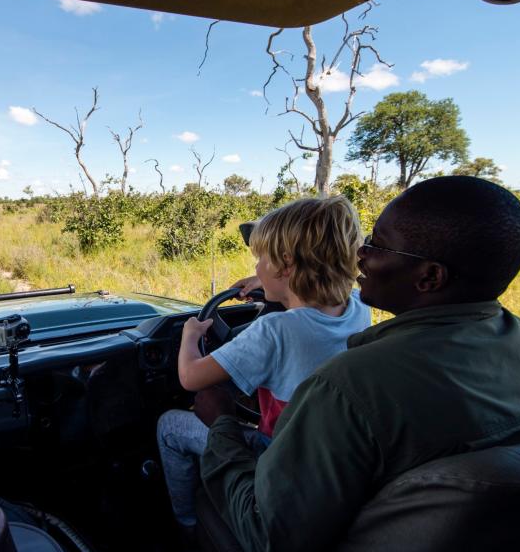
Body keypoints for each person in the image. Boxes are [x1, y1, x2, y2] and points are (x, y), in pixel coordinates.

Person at [194, 176, 520, 552]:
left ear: (430, 277)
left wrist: (223, 426)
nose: (360, 256)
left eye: (377, 246)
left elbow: (272, 541)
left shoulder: (348, 386)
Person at [156, 196, 371, 534]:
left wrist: (189, 334)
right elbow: (318, 290)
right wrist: (267, 285)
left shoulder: (275, 330)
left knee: (169, 426)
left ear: (285, 266)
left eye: (261, 260)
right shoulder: (357, 307)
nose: (256, 267)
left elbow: (190, 377)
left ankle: (185, 523)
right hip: (321, 450)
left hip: (276, 454)